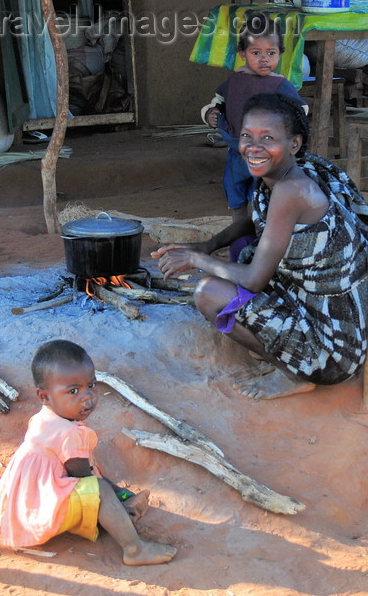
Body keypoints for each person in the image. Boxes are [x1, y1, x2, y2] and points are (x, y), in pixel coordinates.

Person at [154, 93, 368, 400]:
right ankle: (279, 344)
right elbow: (259, 222)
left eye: (267, 138)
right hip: (337, 321)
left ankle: (293, 371)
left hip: (331, 353)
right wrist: (207, 244)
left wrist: (195, 258)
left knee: (207, 293)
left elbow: (255, 278)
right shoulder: (296, 169)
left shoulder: (292, 190)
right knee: (239, 253)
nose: (253, 147)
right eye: (246, 136)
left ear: (294, 143)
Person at [0, 339, 176, 565]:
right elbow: (85, 481)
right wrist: (115, 501)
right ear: (44, 396)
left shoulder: (43, 418)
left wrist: (120, 492)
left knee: (101, 485)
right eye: (73, 391)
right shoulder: (71, 434)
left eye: (91, 385)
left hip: (25, 501)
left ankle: (122, 505)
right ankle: (134, 548)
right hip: (43, 509)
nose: (87, 396)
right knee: (99, 489)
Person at [201, 13, 306, 221]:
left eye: (271, 53)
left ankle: (265, 230)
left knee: (265, 194)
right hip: (237, 152)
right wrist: (210, 114)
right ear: (242, 53)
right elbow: (218, 102)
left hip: (267, 153)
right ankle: (239, 228)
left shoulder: (279, 84)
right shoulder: (235, 80)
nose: (264, 59)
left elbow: (300, 110)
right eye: (256, 52)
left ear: (280, 54)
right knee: (235, 192)